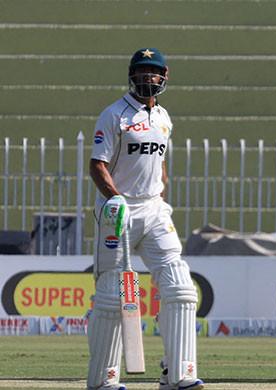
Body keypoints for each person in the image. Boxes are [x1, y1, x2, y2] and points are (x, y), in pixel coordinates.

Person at [87, 48, 203, 390]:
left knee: (181, 288)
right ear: (131, 75)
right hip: (117, 212)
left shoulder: (165, 118)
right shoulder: (114, 115)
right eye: (141, 72)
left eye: (153, 72)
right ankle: (103, 380)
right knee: (112, 296)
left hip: (154, 210)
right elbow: (97, 165)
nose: (147, 78)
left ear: (164, 76)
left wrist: (161, 193)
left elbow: (160, 163)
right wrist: (115, 198)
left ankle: (178, 373)